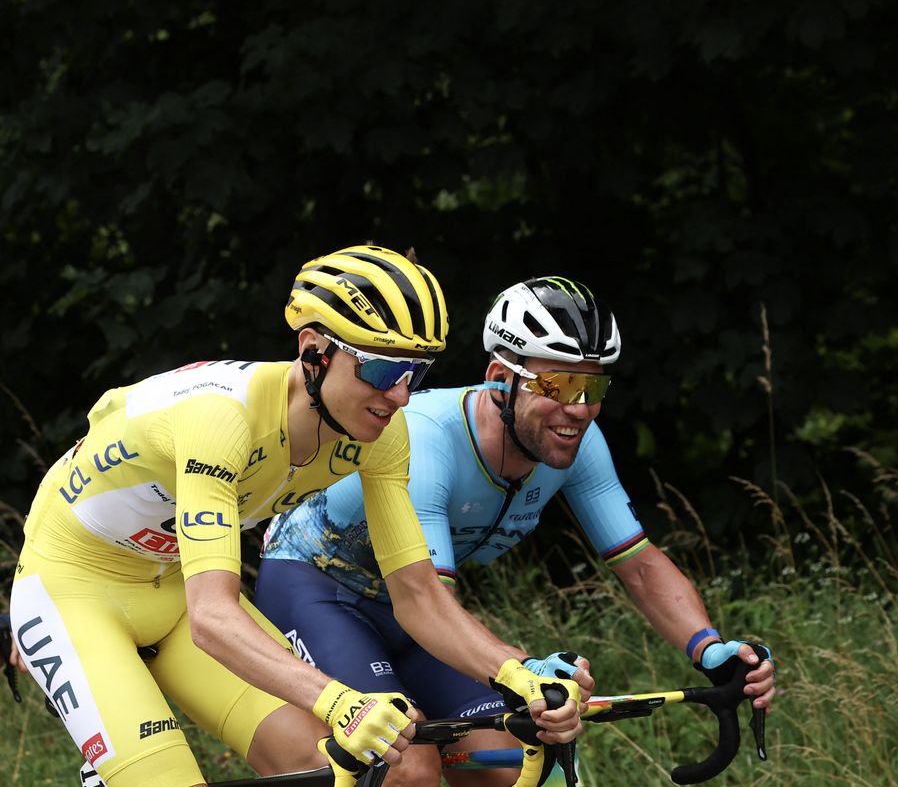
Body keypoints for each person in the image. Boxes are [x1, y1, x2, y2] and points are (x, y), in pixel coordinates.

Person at [6, 247, 582, 787]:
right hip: (73, 588)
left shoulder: (384, 433)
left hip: (172, 585)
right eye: (383, 371)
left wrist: (517, 674)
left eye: (417, 374)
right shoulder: (221, 421)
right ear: (314, 350)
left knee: (331, 765)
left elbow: (419, 596)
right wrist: (339, 700)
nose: (402, 396)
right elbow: (213, 617)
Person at [253, 275, 777, 786]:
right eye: (558, 383)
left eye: (593, 385)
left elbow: (639, 565)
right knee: (405, 767)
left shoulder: (576, 443)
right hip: (320, 589)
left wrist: (709, 649)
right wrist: (523, 670)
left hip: (411, 606)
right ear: (501, 379)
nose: (579, 408)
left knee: (507, 758)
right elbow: (430, 601)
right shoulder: (428, 440)